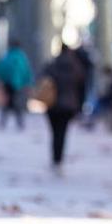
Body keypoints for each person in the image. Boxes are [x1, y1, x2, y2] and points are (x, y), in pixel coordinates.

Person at [40, 44, 86, 173]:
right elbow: (82, 88)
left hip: (52, 104)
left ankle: (55, 158)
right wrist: (80, 106)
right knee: (63, 132)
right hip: (68, 105)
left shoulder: (52, 65)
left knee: (54, 133)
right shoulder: (76, 67)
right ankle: (59, 159)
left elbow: (43, 80)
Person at [0, 39, 33, 130]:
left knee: (8, 103)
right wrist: (28, 83)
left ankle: (3, 122)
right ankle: (19, 123)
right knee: (17, 103)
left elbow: (0, 69)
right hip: (19, 84)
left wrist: (2, 80)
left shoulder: (7, 56)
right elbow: (27, 71)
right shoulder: (22, 57)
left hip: (8, 84)